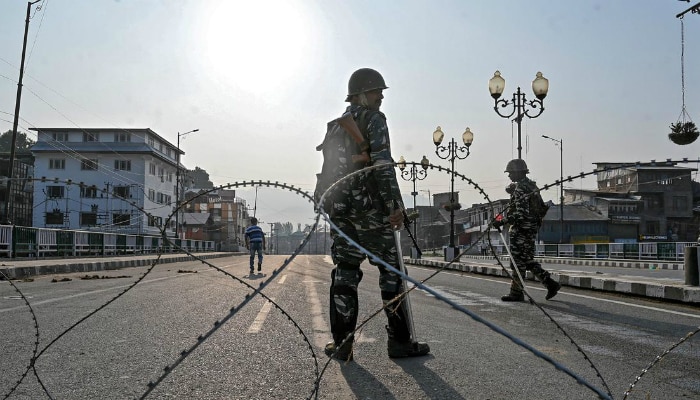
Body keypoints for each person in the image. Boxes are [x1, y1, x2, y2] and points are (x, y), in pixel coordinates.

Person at [324, 68, 430, 361]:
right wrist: (395, 206)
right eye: (375, 92)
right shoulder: (373, 119)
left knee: (344, 273)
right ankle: (400, 342)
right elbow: (382, 165)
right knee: (392, 274)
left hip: (342, 214)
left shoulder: (335, 126)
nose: (381, 96)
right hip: (372, 213)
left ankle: (342, 344)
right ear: (360, 94)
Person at [492, 159, 561, 302]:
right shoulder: (532, 187)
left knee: (517, 262)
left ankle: (516, 293)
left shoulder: (521, 189)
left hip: (521, 230)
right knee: (527, 260)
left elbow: (520, 214)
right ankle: (550, 283)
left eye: (511, 173)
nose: (509, 176)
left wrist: (502, 222)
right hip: (532, 228)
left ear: (518, 172)